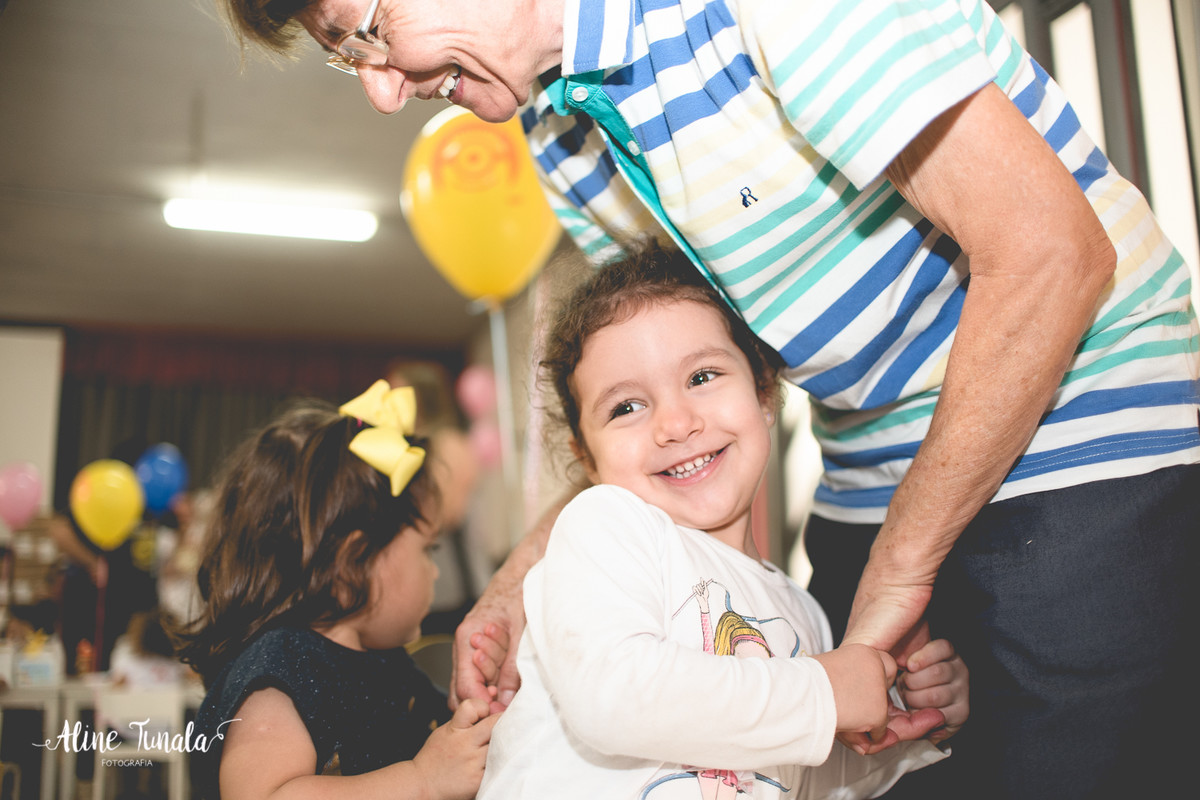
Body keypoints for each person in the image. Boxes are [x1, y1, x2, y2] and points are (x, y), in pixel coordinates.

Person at [216, 1, 1200, 797]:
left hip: (1085, 435)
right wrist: (518, 590)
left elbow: (1052, 254)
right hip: (876, 476)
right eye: (352, 60)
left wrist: (896, 581)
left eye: (369, 33)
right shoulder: (561, 136)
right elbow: (643, 394)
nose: (385, 92)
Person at [477, 242, 968, 799]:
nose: (675, 423)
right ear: (586, 458)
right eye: (626, 407)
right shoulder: (605, 529)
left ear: (764, 392)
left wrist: (899, 714)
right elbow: (613, 696)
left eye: (702, 376)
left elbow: (804, 772)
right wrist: (826, 691)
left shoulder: (802, 611)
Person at [175, 382, 496, 800]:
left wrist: (481, 710)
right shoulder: (280, 668)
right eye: (426, 550)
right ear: (352, 563)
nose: (434, 572)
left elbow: (446, 735)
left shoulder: (388, 662)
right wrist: (422, 781)